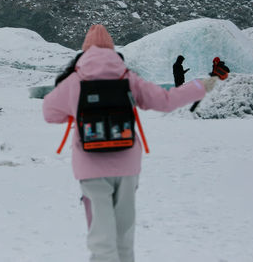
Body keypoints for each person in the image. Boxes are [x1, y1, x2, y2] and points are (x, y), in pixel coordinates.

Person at [43, 24, 217, 262]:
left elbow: (49, 113)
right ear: (112, 50)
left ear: (85, 51)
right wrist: (198, 87)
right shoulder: (126, 76)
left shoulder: (75, 80)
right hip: (126, 163)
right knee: (124, 232)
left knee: (101, 235)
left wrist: (75, 111)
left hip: (90, 165)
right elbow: (165, 101)